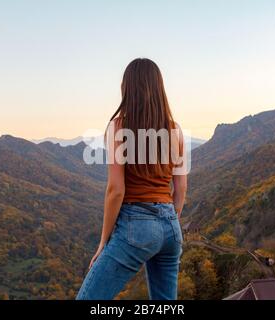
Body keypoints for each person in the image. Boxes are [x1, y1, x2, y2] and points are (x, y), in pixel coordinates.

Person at [76, 58, 188, 300]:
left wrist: (103, 241)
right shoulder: (176, 131)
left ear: (127, 88)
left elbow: (115, 190)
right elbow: (181, 188)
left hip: (136, 225)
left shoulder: (119, 127)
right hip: (171, 227)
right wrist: (169, 221)